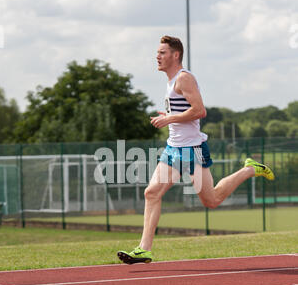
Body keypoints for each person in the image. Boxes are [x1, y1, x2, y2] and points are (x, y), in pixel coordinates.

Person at [117, 35, 274, 265]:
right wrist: (170, 118)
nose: (157, 56)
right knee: (151, 193)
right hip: (173, 148)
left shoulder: (184, 79)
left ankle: (249, 169)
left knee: (211, 200)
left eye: (162, 53)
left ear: (175, 55)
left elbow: (200, 111)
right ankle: (144, 250)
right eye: (157, 53)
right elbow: (184, 112)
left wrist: (171, 118)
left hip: (193, 149)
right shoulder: (171, 82)